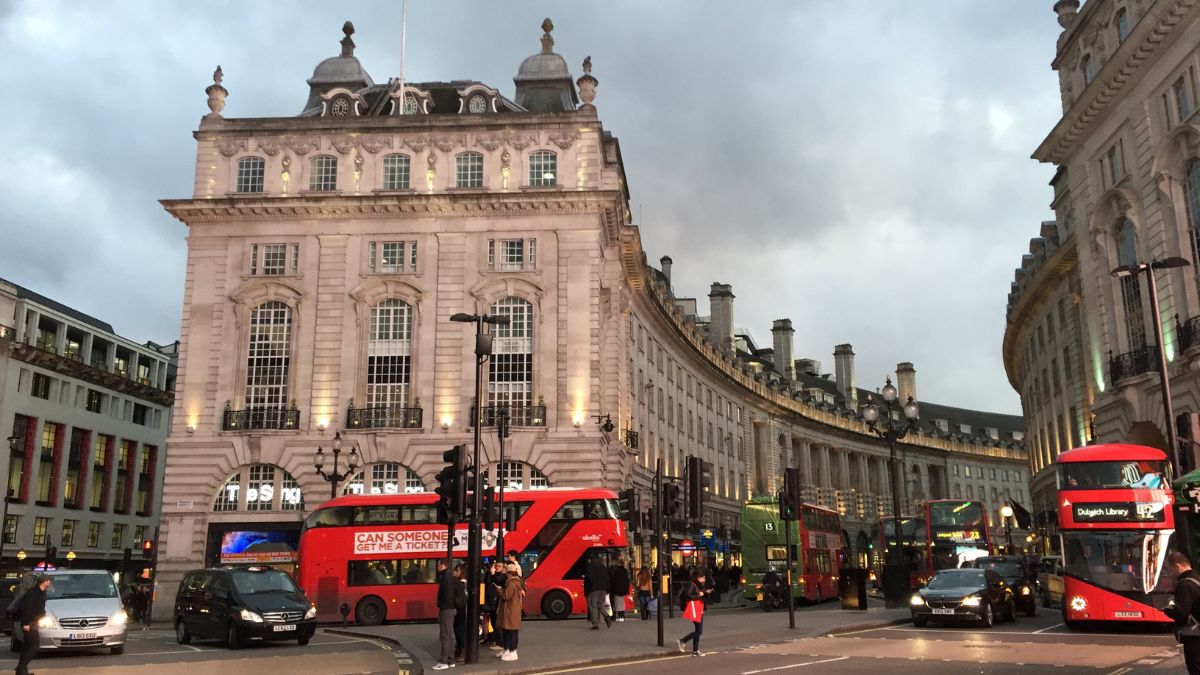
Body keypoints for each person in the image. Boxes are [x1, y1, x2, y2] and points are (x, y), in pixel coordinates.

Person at [1166, 551, 1200, 673]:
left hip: (1194, 635)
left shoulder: (1184, 584)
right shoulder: (1197, 578)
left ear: (1178, 566)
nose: (1171, 574)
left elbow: (1181, 613)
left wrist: (1167, 609)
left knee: (1195, 669)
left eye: (1170, 570)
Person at [15, 574, 50, 675]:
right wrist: (26, 623)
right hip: (29, 623)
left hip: (34, 622)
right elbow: (26, 608)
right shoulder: (33, 593)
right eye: (49, 580)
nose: (50, 582)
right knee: (34, 645)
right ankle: (21, 668)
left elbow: (38, 608)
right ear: (45, 582)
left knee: (27, 646)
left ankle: (21, 671)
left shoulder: (41, 592)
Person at [676, 570, 711, 657]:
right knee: (699, 630)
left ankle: (695, 650)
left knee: (698, 630)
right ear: (699, 578)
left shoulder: (700, 585)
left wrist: (706, 593)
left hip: (700, 608)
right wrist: (700, 595)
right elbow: (688, 595)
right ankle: (683, 641)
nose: (704, 580)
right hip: (694, 608)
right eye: (703, 578)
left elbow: (701, 595)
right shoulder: (691, 584)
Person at [496, 561, 525, 662]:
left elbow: (506, 596)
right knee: (510, 631)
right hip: (512, 611)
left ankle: (513, 652)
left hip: (511, 611)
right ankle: (509, 650)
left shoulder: (512, 583)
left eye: (506, 573)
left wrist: (499, 590)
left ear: (509, 573)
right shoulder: (516, 582)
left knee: (511, 632)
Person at [432, 559, 457, 671]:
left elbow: (446, 595)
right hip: (449, 609)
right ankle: (451, 660)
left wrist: (441, 605)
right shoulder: (449, 576)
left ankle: (444, 661)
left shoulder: (445, 578)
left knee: (445, 635)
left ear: (443, 565)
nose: (437, 567)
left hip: (446, 609)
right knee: (449, 635)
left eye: (438, 565)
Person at [584, 553, 611, 629]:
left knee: (593, 605)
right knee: (599, 604)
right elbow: (608, 578)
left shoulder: (590, 567)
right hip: (603, 589)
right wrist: (607, 589)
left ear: (592, 559)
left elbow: (589, 578)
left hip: (594, 589)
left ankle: (595, 624)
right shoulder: (603, 567)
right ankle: (606, 616)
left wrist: (590, 588)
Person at [452, 564, 467, 663]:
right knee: (459, 631)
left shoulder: (460, 584)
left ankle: (461, 652)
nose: (454, 572)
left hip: (461, 612)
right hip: (462, 611)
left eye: (457, 570)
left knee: (459, 632)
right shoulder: (464, 584)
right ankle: (460, 651)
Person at [609, 557, 631, 622]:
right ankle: (621, 616)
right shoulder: (625, 571)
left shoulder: (616, 571)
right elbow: (627, 581)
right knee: (621, 603)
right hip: (623, 590)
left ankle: (615, 616)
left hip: (616, 590)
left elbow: (614, 581)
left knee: (616, 604)